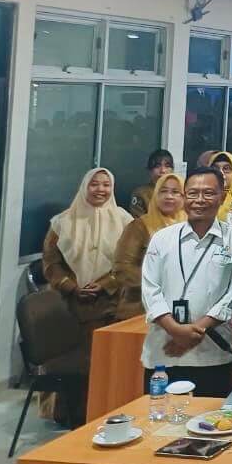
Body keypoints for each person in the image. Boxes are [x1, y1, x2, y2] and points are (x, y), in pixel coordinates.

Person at [139, 166, 232, 397]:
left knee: (209, 418)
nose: (200, 200)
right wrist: (175, 329)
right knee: (160, 416)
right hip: (163, 352)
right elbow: (150, 289)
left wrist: (195, 331)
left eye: (209, 193)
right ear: (184, 197)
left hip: (212, 354)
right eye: (193, 193)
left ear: (222, 196)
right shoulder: (162, 238)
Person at [45, 168, 130, 348]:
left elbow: (132, 260)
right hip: (71, 302)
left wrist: (106, 283)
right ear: (84, 187)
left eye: (106, 185)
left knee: (112, 354)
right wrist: (72, 287)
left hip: (114, 301)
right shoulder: (61, 222)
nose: (101, 189)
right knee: (81, 353)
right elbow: (51, 263)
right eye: (94, 184)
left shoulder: (124, 220)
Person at [113, 172, 186, 320]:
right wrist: (158, 282)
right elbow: (122, 268)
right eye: (163, 191)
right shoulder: (139, 226)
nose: (169, 196)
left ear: (184, 197)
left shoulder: (191, 227)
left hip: (180, 307)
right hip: (140, 307)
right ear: (155, 195)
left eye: (175, 192)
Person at [128, 149, 175, 218]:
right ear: (150, 170)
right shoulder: (141, 194)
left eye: (167, 166)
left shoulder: (179, 192)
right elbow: (139, 221)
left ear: (172, 170)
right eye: (157, 166)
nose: (163, 170)